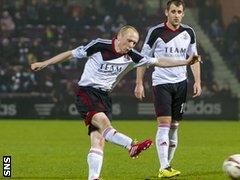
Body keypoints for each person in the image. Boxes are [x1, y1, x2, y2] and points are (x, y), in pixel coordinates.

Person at [30, 25, 201, 180]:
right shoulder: (99, 45)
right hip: (87, 92)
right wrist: (45, 63)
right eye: (129, 41)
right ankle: (131, 146)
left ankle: (93, 177)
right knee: (105, 124)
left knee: (98, 139)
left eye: (134, 42)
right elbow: (70, 54)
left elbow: (159, 61)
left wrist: (185, 61)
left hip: (105, 97)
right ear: (119, 37)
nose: (131, 45)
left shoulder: (133, 56)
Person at [134, 0, 202, 178]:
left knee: (175, 126)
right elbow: (143, 59)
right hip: (161, 82)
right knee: (164, 124)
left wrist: (197, 81)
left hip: (181, 83)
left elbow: (193, 58)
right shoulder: (156, 32)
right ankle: (163, 166)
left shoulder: (189, 32)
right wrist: (139, 83)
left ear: (183, 13)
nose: (176, 15)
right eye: (173, 11)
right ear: (166, 12)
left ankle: (167, 166)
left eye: (179, 12)